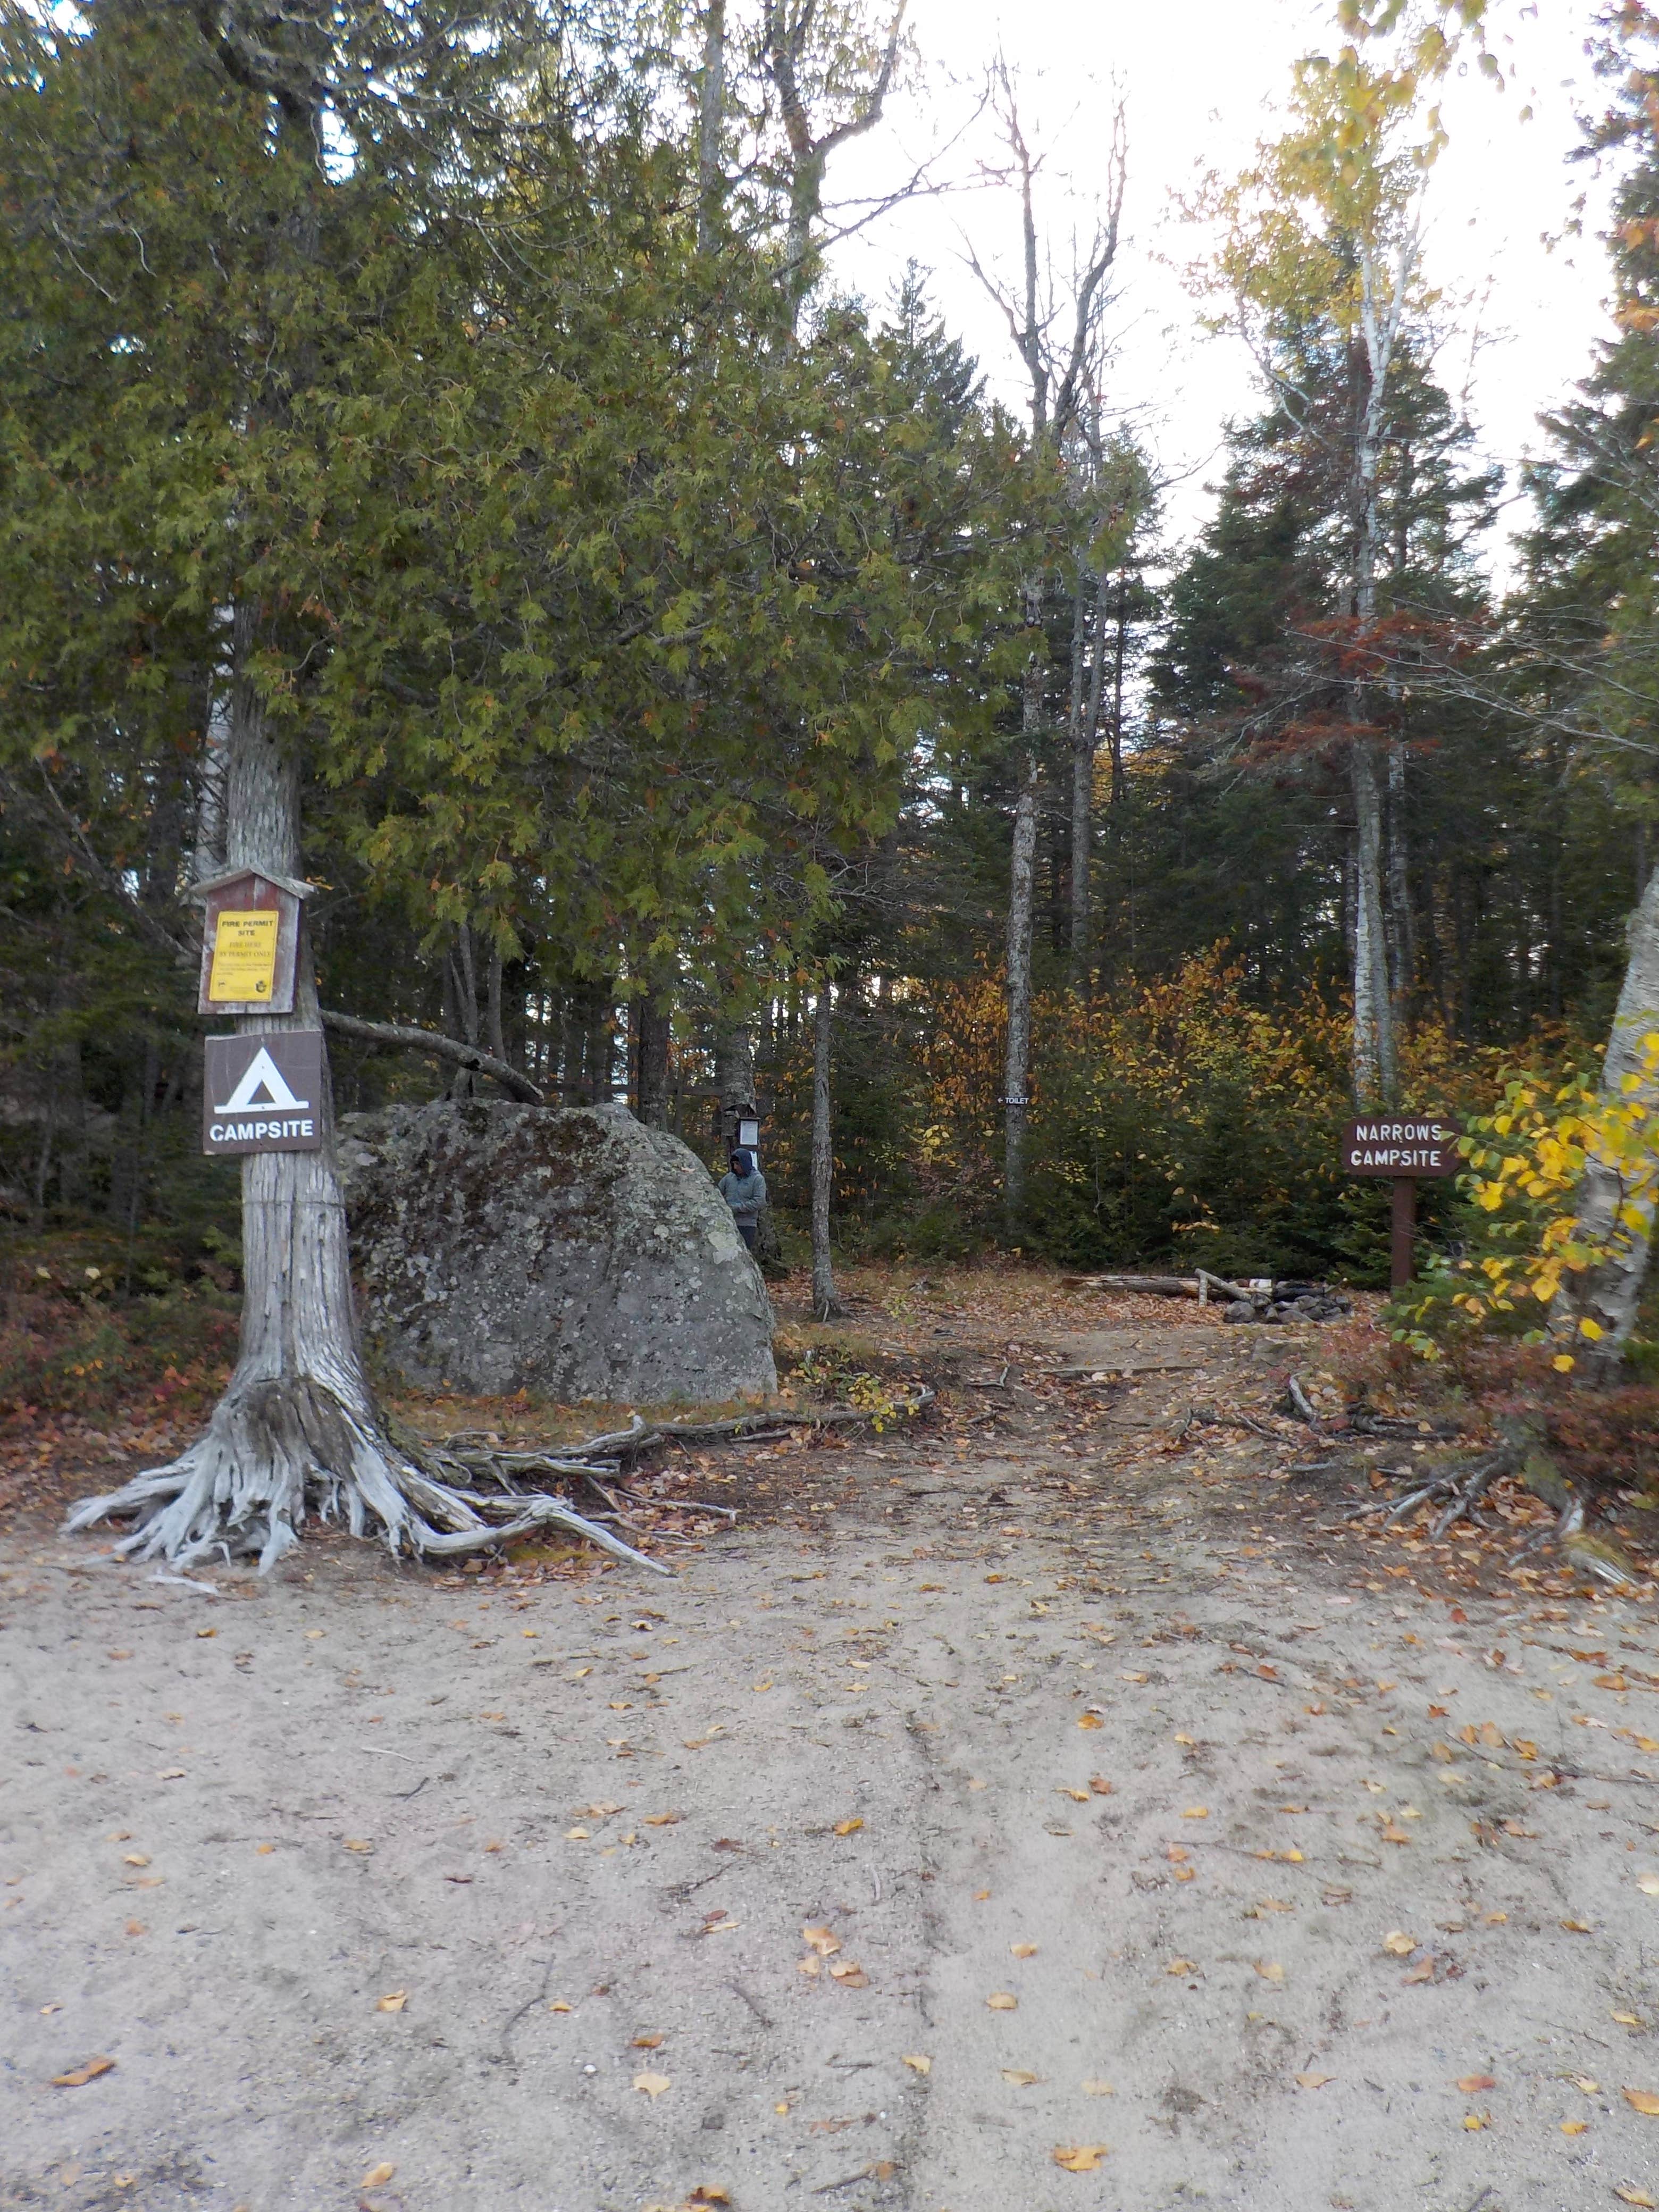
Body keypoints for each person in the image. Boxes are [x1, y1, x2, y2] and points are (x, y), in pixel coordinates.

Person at [718, 1147, 767, 1252]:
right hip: (728, 1222)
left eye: (738, 1164)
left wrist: (737, 1208)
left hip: (746, 1225)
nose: (735, 1167)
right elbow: (717, 1193)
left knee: (742, 1253)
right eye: (734, 1164)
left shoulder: (757, 1179)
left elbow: (759, 1202)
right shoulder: (729, 1178)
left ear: (745, 1163)